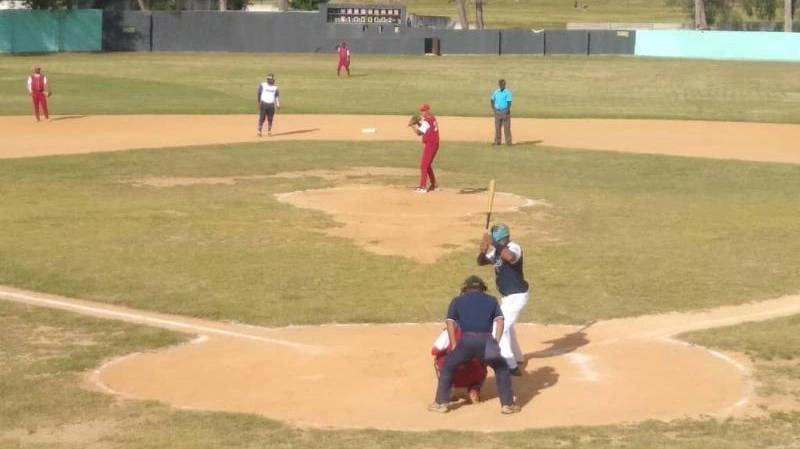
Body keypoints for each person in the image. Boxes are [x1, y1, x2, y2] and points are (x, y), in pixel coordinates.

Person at [428, 275, 521, 414]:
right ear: (482, 288)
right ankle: (507, 404)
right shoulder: (491, 300)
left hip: (466, 341)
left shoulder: (457, 300)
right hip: (487, 341)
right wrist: (495, 340)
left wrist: (454, 344)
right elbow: (500, 321)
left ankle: (441, 403)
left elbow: (450, 323)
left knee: (448, 367)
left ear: (466, 288)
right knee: (501, 368)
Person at [478, 223, 529, 376]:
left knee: (500, 327)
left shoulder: (514, 247)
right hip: (507, 297)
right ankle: (518, 356)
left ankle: (511, 366)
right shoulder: (497, 251)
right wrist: (483, 250)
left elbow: (510, 257)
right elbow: (481, 262)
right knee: (508, 327)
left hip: (517, 295)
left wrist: (492, 242)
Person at [431, 323, 487, 404]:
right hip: (474, 372)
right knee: (484, 361)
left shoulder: (450, 330)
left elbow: (434, 350)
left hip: (452, 372)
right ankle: (474, 389)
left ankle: (447, 391)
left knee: (438, 359)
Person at [409, 103, 439, 193]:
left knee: (424, 165)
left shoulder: (426, 121)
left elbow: (419, 133)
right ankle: (434, 185)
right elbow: (425, 127)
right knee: (427, 165)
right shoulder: (432, 118)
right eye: (421, 110)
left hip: (431, 144)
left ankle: (423, 187)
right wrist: (418, 123)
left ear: (428, 110)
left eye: (424, 110)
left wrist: (412, 126)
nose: (422, 112)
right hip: (434, 144)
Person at [490, 79, 512, 146]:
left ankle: (508, 143)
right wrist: (494, 109)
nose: (502, 85)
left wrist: (506, 111)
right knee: (497, 128)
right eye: (501, 84)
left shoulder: (507, 92)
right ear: (499, 85)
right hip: (497, 111)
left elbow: (509, 103)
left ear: (505, 84)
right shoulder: (496, 92)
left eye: (503, 84)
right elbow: (492, 100)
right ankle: (497, 142)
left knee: (507, 128)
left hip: (505, 111)